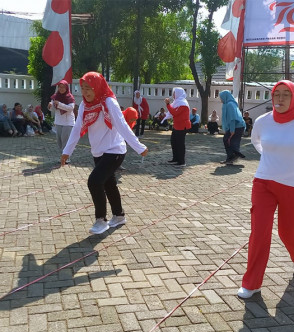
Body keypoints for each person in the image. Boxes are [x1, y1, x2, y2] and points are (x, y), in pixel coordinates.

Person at [237, 80, 294, 299]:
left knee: (286, 232)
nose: (279, 99)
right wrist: (271, 159)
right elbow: (256, 141)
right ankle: (252, 283)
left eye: (285, 95)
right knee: (259, 233)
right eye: (276, 94)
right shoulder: (262, 121)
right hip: (264, 182)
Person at [61, 72, 148, 235]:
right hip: (98, 152)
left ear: (98, 87)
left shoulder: (109, 102)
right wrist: (67, 151)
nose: (85, 92)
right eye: (83, 88)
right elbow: (77, 128)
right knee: (109, 184)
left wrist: (139, 147)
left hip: (115, 150)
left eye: (89, 88)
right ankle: (119, 215)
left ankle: (101, 220)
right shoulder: (84, 105)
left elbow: (122, 125)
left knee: (94, 181)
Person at [48, 80, 76, 163]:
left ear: (66, 88)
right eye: (60, 87)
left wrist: (59, 104)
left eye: (63, 87)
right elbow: (53, 109)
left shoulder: (70, 97)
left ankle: (66, 158)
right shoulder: (55, 97)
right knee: (59, 141)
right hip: (59, 122)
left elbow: (70, 108)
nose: (61, 89)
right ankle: (63, 155)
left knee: (65, 141)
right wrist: (50, 106)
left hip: (68, 123)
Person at [164, 87, 191, 167]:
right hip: (177, 125)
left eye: (174, 93)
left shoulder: (183, 103)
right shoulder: (177, 102)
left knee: (180, 144)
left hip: (182, 126)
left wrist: (168, 104)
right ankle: (175, 159)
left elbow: (174, 113)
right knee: (174, 142)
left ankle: (181, 161)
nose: (173, 95)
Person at [219, 91, 246, 165]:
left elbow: (232, 118)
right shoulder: (226, 104)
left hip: (237, 126)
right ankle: (231, 158)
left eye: (221, 97)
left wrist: (232, 129)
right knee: (229, 141)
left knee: (229, 141)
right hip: (236, 126)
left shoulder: (230, 104)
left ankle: (234, 156)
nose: (220, 99)